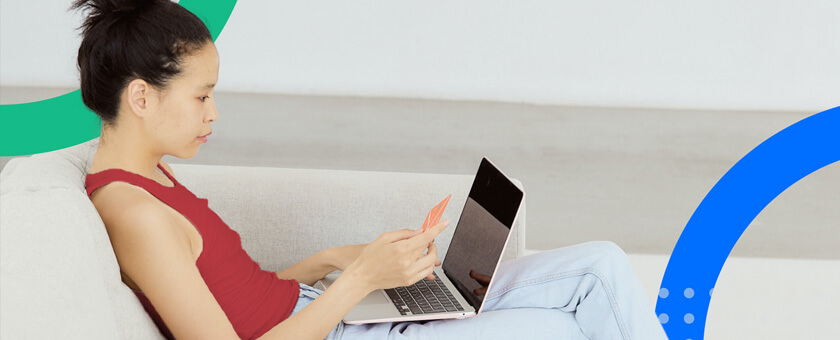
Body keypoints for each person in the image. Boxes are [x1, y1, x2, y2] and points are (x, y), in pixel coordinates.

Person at [73, 0, 669, 339]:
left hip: (325, 308)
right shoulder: (134, 212)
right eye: (202, 97)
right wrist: (361, 282)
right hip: (334, 329)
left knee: (602, 264)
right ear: (142, 98)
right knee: (559, 327)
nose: (214, 113)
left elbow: (238, 295)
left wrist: (340, 260)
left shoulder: (152, 174)